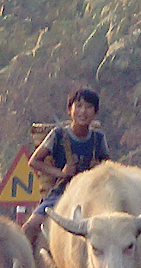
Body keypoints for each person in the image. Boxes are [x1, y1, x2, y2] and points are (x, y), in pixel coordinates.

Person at [23, 87, 110, 248]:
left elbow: (109, 167)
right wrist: (61, 173)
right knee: (29, 228)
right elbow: (34, 161)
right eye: (79, 106)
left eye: (89, 107)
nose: (83, 111)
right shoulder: (58, 135)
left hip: (91, 193)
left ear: (95, 112)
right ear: (70, 110)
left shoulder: (98, 138)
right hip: (61, 193)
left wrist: (98, 167)